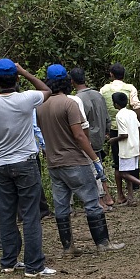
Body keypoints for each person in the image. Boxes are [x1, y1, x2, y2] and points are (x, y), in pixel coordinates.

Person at [37, 64, 125, 254]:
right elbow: (79, 135)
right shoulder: (71, 103)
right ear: (68, 81)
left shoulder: (41, 106)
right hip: (75, 160)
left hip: (54, 163)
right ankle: (103, 243)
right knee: (92, 202)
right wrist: (94, 159)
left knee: (61, 207)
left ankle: (68, 247)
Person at [0, 58, 55, 277]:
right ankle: (34, 265)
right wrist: (25, 71)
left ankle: (9, 261)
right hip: (26, 163)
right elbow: (46, 90)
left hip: (1, 164)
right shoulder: (26, 99)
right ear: (16, 78)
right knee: (30, 214)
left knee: (6, 213)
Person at [100, 63, 140, 204]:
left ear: (111, 74)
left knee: (118, 164)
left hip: (114, 129)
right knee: (129, 162)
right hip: (130, 130)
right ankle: (131, 194)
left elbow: (102, 111)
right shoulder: (130, 88)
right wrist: (135, 122)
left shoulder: (104, 90)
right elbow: (137, 106)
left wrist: (106, 131)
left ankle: (120, 195)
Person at [71, 67, 113, 211]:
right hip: (100, 136)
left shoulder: (77, 99)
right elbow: (107, 116)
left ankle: (101, 198)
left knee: (92, 168)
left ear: (72, 81)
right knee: (99, 164)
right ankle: (108, 197)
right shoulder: (98, 94)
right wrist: (107, 131)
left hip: (88, 138)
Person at [109, 92, 140, 205]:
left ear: (115, 104)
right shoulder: (131, 113)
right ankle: (130, 198)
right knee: (128, 172)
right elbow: (139, 128)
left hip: (126, 148)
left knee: (123, 173)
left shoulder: (119, 115)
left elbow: (123, 135)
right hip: (134, 145)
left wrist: (113, 140)